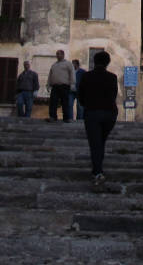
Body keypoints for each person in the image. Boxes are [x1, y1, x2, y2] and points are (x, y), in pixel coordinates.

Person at [77, 50, 118, 187]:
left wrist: (87, 105)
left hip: (92, 112)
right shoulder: (112, 77)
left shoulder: (87, 76)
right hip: (109, 114)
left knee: (95, 143)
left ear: (94, 62)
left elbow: (80, 96)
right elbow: (114, 96)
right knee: (101, 141)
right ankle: (97, 169)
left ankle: (97, 172)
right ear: (108, 63)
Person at [47, 49, 75, 122]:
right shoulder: (54, 65)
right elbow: (50, 75)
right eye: (57, 54)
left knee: (65, 102)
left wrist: (72, 84)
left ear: (63, 55)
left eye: (59, 54)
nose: (57, 55)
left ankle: (66, 118)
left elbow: (72, 73)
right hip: (55, 86)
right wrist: (48, 84)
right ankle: (52, 117)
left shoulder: (68, 64)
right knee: (53, 102)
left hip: (64, 86)